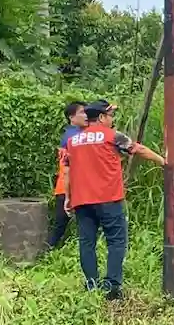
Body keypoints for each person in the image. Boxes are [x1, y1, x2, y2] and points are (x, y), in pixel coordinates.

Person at [62, 99, 166, 300]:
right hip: (109, 198)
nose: (112, 119)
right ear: (101, 117)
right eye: (110, 115)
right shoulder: (111, 136)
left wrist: (68, 197)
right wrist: (163, 161)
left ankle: (91, 284)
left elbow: (67, 171)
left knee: (87, 243)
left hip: (82, 201)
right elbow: (139, 149)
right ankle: (112, 287)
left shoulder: (72, 142)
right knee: (116, 241)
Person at [47, 100, 88, 251]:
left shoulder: (76, 133)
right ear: (71, 117)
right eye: (82, 112)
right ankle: (49, 250)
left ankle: (50, 250)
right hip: (68, 186)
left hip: (71, 186)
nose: (86, 115)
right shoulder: (73, 136)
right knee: (61, 223)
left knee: (63, 223)